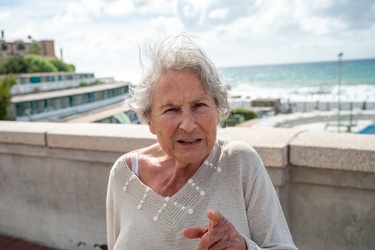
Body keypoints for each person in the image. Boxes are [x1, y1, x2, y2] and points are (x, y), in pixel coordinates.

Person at [106, 34, 297, 250]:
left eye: (199, 105)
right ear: (150, 122)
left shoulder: (240, 163)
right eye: (171, 109)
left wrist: (243, 247)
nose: (188, 124)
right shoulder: (125, 174)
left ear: (218, 113)